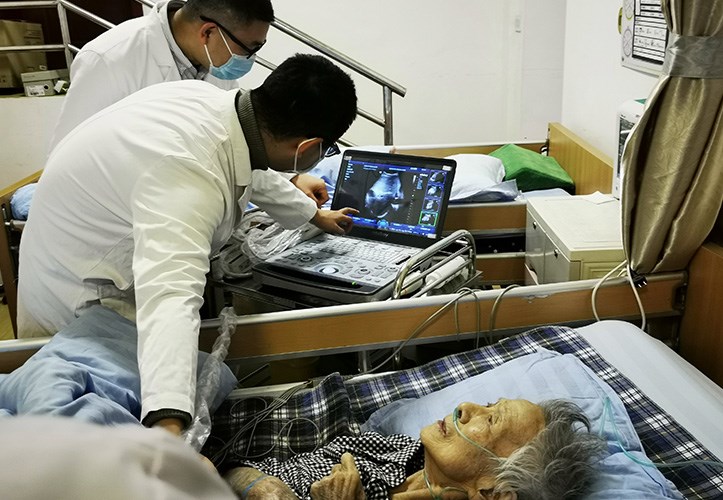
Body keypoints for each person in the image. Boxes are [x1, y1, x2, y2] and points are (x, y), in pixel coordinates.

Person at [16, 54, 358, 437]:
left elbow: (247, 167)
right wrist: (168, 421)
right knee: (92, 433)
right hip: (81, 303)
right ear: (308, 147)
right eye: (326, 152)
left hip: (74, 257)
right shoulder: (189, 171)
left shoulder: (213, 105)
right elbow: (170, 296)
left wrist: (313, 215)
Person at [49, 0, 329, 217]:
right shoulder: (110, 59)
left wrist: (294, 182)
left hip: (174, 201)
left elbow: (235, 147)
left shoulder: (215, 61)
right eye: (249, 49)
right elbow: (68, 160)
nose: (249, 59)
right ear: (208, 32)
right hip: (115, 218)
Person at [223, 399, 605, 500]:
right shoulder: (393, 450)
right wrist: (262, 487)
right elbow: (232, 471)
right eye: (488, 404)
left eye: (490, 420)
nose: (465, 407)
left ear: (495, 491)